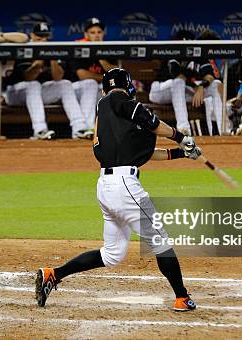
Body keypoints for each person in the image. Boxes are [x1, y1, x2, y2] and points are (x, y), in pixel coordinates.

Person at [35, 68, 201, 312]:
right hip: (125, 187)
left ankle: (53, 274)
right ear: (129, 87)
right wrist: (180, 136)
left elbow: (140, 155)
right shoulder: (117, 99)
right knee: (161, 242)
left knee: (112, 254)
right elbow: (152, 122)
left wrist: (181, 153)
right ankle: (182, 297)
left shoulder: (109, 118)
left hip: (107, 186)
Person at [4, 23, 92, 139]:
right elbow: (28, 78)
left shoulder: (52, 49)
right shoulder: (26, 49)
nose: (42, 41)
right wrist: (38, 61)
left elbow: (58, 77)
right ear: (32, 36)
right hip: (13, 94)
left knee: (64, 84)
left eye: (45, 38)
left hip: (36, 94)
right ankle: (40, 130)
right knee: (33, 85)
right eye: (39, 38)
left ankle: (79, 128)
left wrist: (52, 58)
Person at [70, 18, 119, 133]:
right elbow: (82, 75)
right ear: (86, 34)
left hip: (96, 91)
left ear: (103, 34)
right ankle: (87, 127)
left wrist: (101, 56)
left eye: (99, 32)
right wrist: (106, 78)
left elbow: (117, 74)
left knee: (117, 91)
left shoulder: (109, 50)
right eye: (92, 33)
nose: (96, 35)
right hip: (76, 91)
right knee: (90, 83)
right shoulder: (79, 49)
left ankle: (120, 131)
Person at [148, 30, 196, 136]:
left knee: (205, 92)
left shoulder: (194, 59)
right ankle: (183, 128)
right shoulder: (172, 53)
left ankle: (223, 129)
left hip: (177, 92)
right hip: (158, 91)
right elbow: (176, 75)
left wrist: (199, 88)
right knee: (179, 82)